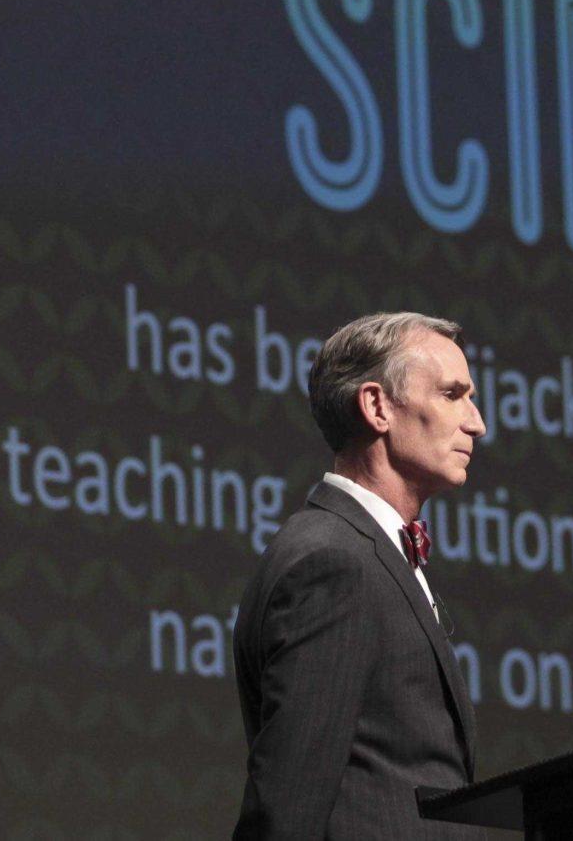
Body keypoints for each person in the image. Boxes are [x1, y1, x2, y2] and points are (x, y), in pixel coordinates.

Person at [233, 312, 487, 839]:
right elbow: (288, 803)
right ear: (377, 407)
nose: (476, 421)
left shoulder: (368, 551)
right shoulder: (333, 562)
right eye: (451, 394)